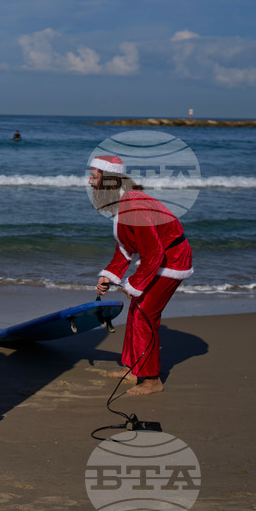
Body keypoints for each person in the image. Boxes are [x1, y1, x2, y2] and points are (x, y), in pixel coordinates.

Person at [89, 155, 193, 396]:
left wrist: (135, 282)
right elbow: (126, 247)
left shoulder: (133, 207)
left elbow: (154, 252)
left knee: (145, 314)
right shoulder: (121, 201)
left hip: (172, 259)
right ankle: (134, 368)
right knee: (137, 310)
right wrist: (110, 275)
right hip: (158, 257)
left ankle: (152, 380)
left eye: (94, 176)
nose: (89, 181)